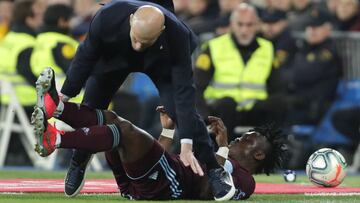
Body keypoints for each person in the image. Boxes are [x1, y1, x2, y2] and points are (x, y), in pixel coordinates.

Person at [44, 0, 236, 200]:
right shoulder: (106, 18)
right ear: (130, 20)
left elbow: (184, 94)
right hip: (116, 55)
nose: (138, 47)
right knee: (91, 106)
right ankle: (80, 158)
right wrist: (65, 96)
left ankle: (214, 169)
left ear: (161, 30)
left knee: (180, 111)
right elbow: (85, 57)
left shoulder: (178, 36)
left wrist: (186, 145)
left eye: (144, 42)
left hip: (159, 60)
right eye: (136, 39)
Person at [31, 67, 288, 200]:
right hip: (148, 182)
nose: (238, 139)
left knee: (122, 129)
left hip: (163, 189)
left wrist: (220, 149)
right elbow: (160, 159)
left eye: (246, 139)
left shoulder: (245, 181)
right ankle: (58, 108)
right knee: (111, 118)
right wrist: (168, 130)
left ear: (257, 155)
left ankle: (56, 139)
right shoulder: (219, 160)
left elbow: (208, 191)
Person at [194, 3, 274, 140]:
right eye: (240, 24)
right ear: (232, 24)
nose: (244, 30)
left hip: (253, 109)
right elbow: (197, 86)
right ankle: (223, 154)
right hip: (221, 108)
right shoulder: (214, 47)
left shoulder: (268, 48)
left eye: (249, 25)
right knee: (227, 104)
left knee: (278, 104)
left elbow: (277, 86)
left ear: (257, 25)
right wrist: (204, 117)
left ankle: (274, 154)